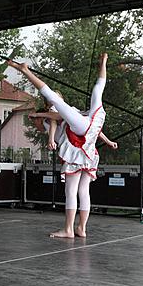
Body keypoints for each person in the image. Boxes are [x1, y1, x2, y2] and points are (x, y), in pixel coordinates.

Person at [8, 53, 118, 238]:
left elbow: (54, 107)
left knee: (71, 190)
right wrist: (103, 63)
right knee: (83, 191)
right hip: (89, 148)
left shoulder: (66, 113)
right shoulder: (93, 114)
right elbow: (99, 88)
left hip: (78, 146)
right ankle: (81, 228)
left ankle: (68, 229)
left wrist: (26, 73)